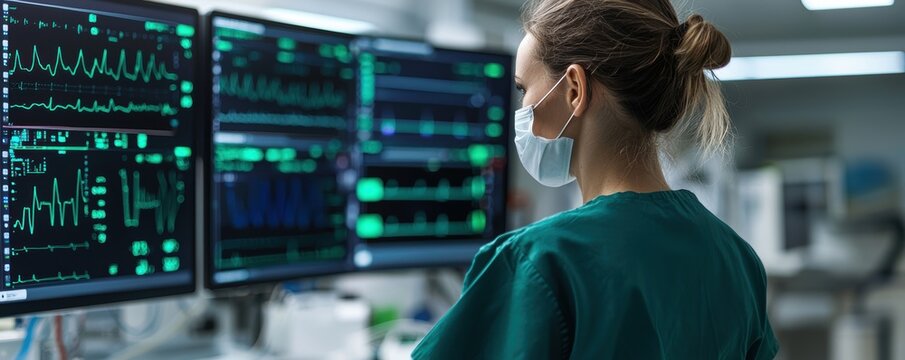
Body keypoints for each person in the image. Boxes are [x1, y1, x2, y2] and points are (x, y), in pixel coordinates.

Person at [411, 0, 779, 358]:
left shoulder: (539, 262)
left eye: (524, 89)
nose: (521, 108)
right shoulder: (737, 260)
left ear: (574, 89)